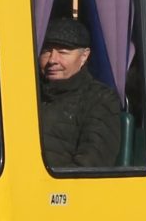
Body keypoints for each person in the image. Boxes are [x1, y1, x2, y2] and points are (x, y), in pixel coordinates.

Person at [37, 15, 123, 170]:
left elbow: (92, 163)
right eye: (46, 51)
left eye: (63, 52)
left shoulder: (100, 99)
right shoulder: (28, 94)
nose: (52, 60)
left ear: (84, 56)